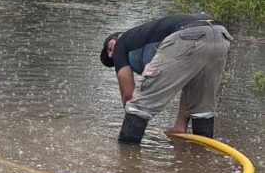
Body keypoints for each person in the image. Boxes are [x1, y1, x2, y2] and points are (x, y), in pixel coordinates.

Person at [99, 13, 232, 144]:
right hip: (220, 35)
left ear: (118, 36)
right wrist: (180, 125)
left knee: (139, 106)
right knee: (202, 109)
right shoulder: (148, 36)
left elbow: (128, 95)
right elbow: (188, 80)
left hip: (188, 34)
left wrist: (130, 122)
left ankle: (126, 159)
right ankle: (203, 159)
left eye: (110, 47)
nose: (112, 54)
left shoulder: (122, 42)